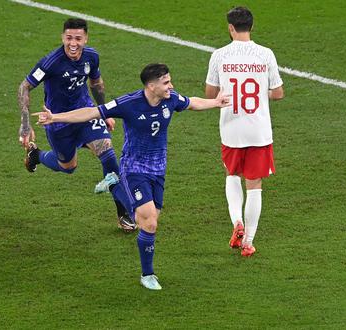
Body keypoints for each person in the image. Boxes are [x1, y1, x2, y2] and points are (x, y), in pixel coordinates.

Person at [34, 63, 230, 290]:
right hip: (134, 168)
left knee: (149, 219)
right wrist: (56, 117)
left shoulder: (171, 99)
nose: (171, 86)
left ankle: (114, 185)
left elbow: (192, 102)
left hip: (158, 170)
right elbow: (92, 112)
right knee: (149, 222)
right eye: (166, 82)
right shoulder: (129, 103)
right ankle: (148, 275)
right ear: (151, 85)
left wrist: (216, 102)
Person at [17, 18, 137, 232]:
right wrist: (25, 124)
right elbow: (24, 86)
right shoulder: (51, 62)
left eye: (78, 38)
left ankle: (124, 213)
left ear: (86, 38)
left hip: (86, 115)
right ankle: (38, 156)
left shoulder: (92, 56)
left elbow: (96, 83)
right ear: (63, 37)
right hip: (58, 122)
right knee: (68, 167)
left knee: (108, 155)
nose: (73, 43)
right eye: (69, 38)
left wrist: (104, 111)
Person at [205, 6, 284, 257]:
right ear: (252, 26)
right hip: (258, 129)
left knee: (231, 174)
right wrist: (263, 92)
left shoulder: (219, 55)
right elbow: (278, 93)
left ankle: (236, 221)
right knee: (255, 185)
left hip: (231, 128)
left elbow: (210, 94)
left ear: (230, 28)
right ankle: (248, 242)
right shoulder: (265, 54)